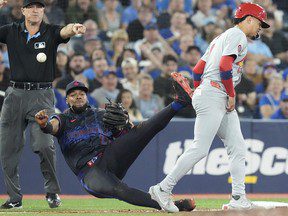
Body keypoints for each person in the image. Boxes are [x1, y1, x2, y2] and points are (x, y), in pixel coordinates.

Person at [149, 2, 270, 212]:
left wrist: (199, 90)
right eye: (260, 23)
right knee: (200, 148)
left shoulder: (220, 37)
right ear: (249, 19)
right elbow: (224, 66)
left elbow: (197, 69)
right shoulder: (237, 36)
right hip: (217, 93)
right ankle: (163, 188)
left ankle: (238, 197)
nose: (260, 28)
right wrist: (230, 94)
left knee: (238, 147)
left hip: (213, 92)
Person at [34, 76, 195, 212]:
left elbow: (128, 133)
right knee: (121, 190)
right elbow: (52, 127)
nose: (78, 96)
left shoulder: (101, 114)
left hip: (109, 157)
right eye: (73, 94)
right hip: (89, 173)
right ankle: (172, 205)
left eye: (82, 93)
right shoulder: (63, 119)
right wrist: (44, 125)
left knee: (143, 130)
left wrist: (126, 122)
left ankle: (179, 102)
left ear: (86, 96)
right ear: (67, 99)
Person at [0, 0, 86, 209]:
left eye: (39, 7)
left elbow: (64, 32)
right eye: (31, 7)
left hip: (42, 95)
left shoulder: (50, 31)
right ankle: (14, 198)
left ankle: (52, 192)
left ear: (43, 11)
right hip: (15, 95)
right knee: (8, 149)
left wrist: (73, 28)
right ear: (23, 11)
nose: (35, 10)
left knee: (45, 145)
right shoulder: (11, 31)